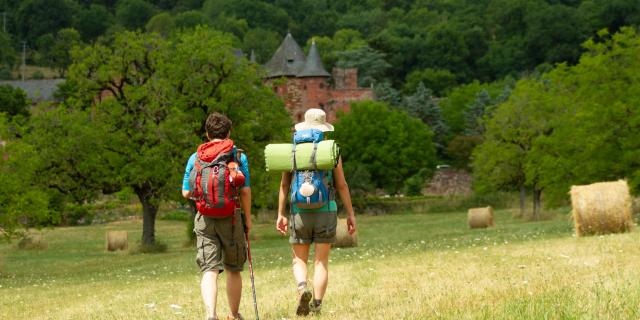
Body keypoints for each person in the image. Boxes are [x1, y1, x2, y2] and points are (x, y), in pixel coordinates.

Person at [276, 108, 357, 316]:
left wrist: (281, 214)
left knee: (298, 259)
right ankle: (317, 305)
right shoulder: (331, 150)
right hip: (326, 210)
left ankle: (303, 288)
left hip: (298, 212)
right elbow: (342, 185)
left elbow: (285, 185)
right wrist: (350, 214)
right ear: (323, 129)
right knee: (321, 261)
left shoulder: (292, 151)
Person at [182, 112, 252, 320]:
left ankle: (211, 315)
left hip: (204, 218)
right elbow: (245, 191)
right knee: (233, 268)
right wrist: (247, 219)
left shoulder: (196, 158)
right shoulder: (238, 156)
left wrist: (203, 195)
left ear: (207, 133)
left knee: (209, 269)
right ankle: (233, 314)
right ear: (229, 132)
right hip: (231, 217)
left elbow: (186, 192)